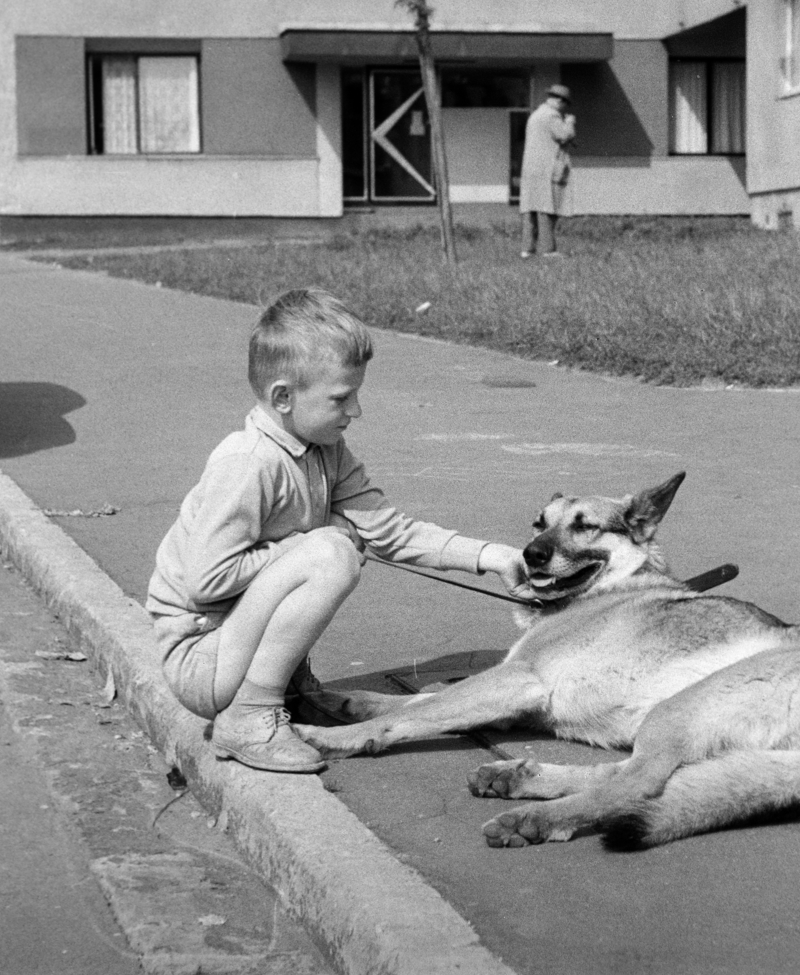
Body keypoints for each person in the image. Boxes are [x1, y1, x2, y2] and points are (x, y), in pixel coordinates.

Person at [145, 288, 528, 773]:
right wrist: (309, 545)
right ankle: (249, 715)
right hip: (202, 659)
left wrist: (496, 557)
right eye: (342, 398)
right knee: (330, 553)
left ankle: (294, 696)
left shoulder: (325, 450)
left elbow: (392, 533)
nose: (357, 411)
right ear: (283, 397)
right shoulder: (248, 462)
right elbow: (207, 580)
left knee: (330, 547)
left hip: (234, 644)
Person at [519, 83, 575, 258]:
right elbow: (565, 135)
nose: (565, 108)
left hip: (532, 169)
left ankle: (527, 250)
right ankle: (548, 250)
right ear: (560, 101)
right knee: (547, 210)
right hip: (547, 169)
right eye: (565, 104)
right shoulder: (551, 116)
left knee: (530, 209)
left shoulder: (536, 115)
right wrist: (570, 122)